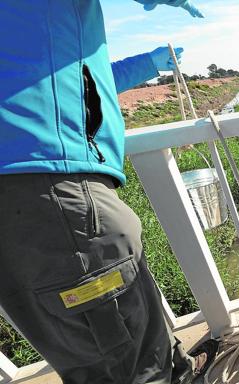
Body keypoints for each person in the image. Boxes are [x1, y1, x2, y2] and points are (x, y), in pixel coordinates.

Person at [0, 1, 216, 383]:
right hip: (51, 197)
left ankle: (177, 370)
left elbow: (81, 86)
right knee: (126, 363)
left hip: (38, 201)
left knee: (90, 345)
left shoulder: (29, 37)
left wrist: (147, 65)